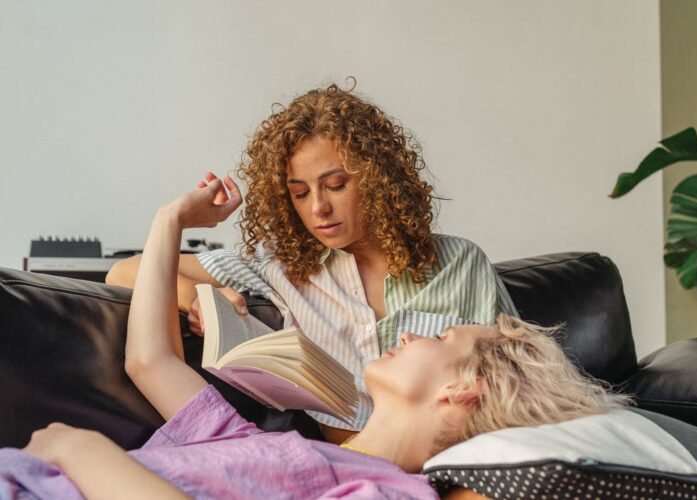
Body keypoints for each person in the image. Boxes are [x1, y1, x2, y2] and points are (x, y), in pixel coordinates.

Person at [2, 178, 627, 499]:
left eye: (440, 337)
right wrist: (172, 220)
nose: (412, 336)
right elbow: (150, 361)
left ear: (465, 390)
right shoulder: (269, 442)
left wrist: (80, 448)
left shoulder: (388, 491)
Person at [105, 83, 519, 442]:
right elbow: (125, 272)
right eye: (300, 193)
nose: (319, 208)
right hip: (344, 463)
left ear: (377, 177)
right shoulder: (285, 263)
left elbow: (522, 386)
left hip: (452, 460)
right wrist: (198, 297)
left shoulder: (461, 264)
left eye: (336, 185)